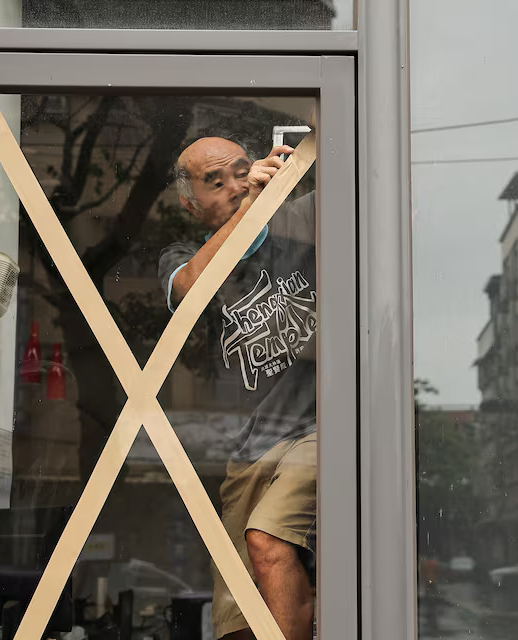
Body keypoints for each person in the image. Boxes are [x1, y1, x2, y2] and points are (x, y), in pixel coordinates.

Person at [159, 135, 318, 640]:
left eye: (242, 171)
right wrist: (249, 210)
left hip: (319, 427)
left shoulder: (303, 223)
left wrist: (295, 167)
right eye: (215, 181)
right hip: (251, 450)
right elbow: (187, 290)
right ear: (190, 203)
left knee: (267, 539)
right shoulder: (182, 255)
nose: (235, 185)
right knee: (236, 619)